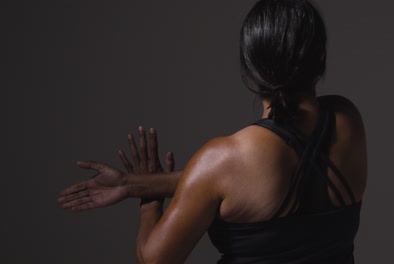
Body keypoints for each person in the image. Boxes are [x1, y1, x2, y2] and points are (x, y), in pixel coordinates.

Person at [58, 0, 367, 263]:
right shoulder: (348, 120)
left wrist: (149, 200)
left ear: (249, 69)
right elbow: (232, 185)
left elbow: (154, 259)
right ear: (321, 59)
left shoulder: (223, 159)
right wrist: (134, 183)